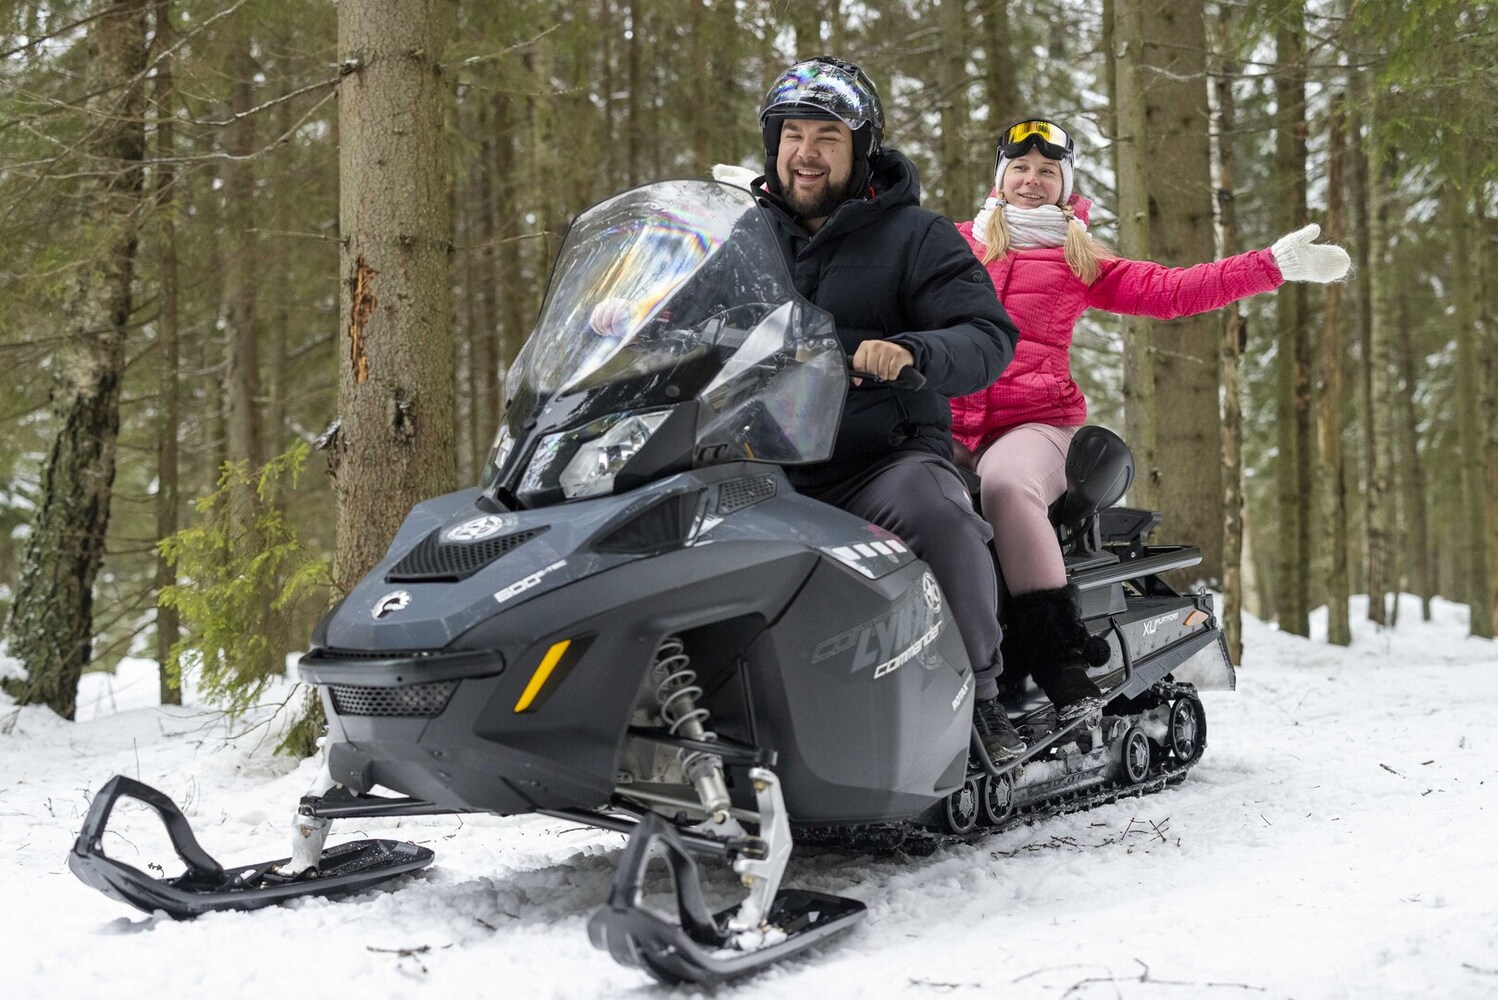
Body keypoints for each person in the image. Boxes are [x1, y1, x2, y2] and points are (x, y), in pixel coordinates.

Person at [951, 118, 1351, 721]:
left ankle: (1056, 656)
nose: (1031, 180)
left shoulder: (1078, 258)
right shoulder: (954, 244)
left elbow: (1172, 291)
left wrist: (1270, 264)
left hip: (1033, 426)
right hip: (947, 425)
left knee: (1005, 487)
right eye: (1021, 168)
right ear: (1001, 177)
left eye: (1047, 171)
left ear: (1065, 185)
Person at [749, 56, 1027, 761]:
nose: (806, 153)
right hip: (758, 461)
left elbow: (987, 334)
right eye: (792, 135)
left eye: (827, 137)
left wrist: (912, 350)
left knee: (937, 513)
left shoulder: (917, 236)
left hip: (877, 459)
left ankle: (982, 699)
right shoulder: (743, 239)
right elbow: (684, 318)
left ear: (861, 148)